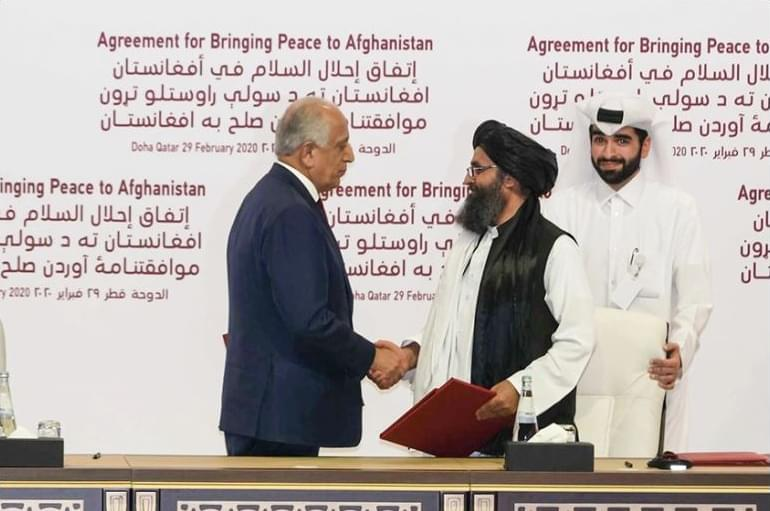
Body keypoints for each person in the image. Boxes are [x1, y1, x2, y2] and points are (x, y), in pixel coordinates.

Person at [371, 120, 595, 455]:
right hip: (454, 438)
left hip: (520, 444)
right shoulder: (468, 244)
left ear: (510, 179)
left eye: (478, 170)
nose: (467, 180)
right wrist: (410, 356)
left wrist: (520, 389)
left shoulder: (555, 249)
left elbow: (578, 341)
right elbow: (451, 325)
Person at [220, 97, 407, 456]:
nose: (350, 156)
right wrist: (370, 357)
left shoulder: (268, 198)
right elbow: (308, 320)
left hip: (271, 415)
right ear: (308, 153)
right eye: (340, 146)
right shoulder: (289, 212)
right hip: (281, 419)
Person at [542, 92, 713, 451]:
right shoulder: (562, 209)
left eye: (621, 140)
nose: (608, 152)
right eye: (599, 140)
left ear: (645, 146)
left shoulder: (677, 210)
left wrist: (680, 351)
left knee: (647, 477)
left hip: (650, 378)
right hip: (577, 375)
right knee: (574, 478)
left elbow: (695, 296)